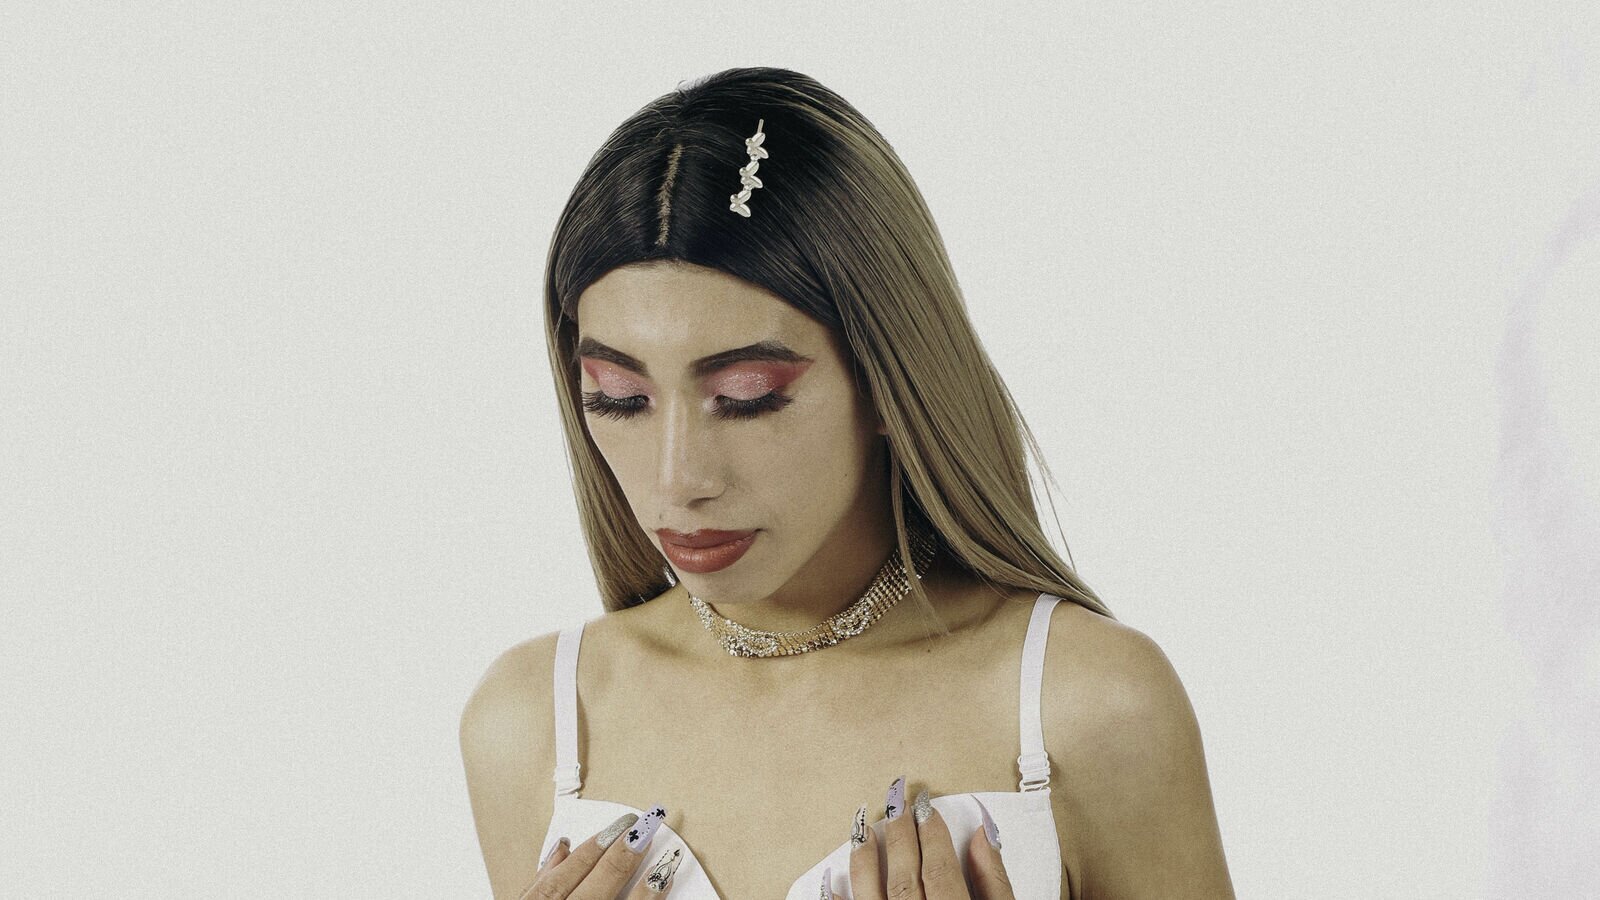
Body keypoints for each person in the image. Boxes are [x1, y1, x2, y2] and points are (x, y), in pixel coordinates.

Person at [459, 67, 1236, 900]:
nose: (678, 480)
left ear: (889, 383)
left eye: (746, 397)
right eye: (620, 399)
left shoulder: (1089, 706)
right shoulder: (534, 724)